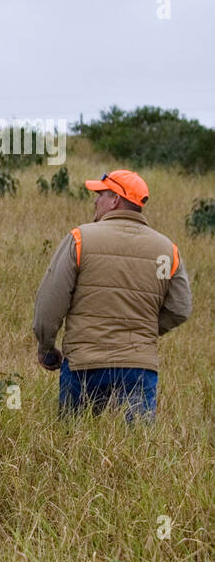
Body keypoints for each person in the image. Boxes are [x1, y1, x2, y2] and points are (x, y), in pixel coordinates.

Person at [33, 169, 191, 420]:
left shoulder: (81, 238)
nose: (95, 201)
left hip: (84, 365)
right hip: (139, 368)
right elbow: (181, 308)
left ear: (116, 200)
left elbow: (50, 302)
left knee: (73, 445)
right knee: (136, 451)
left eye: (101, 194)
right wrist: (142, 331)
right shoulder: (166, 249)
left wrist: (46, 347)